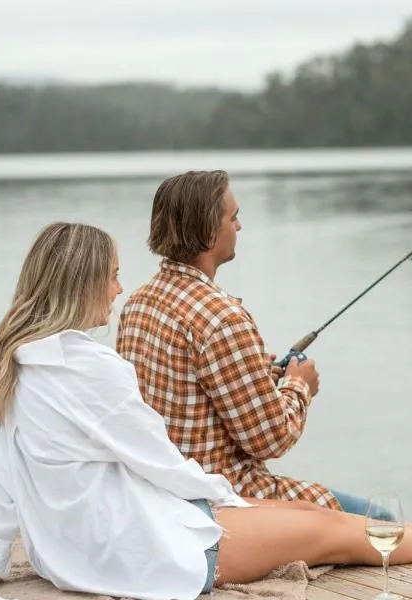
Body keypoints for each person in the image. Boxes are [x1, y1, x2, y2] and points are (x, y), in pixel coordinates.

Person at [0, 222, 412, 600]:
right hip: (140, 552)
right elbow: (160, 461)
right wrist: (226, 496)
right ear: (82, 285)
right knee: (333, 532)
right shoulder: (89, 370)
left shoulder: (13, 366)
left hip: (75, 551)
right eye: (110, 276)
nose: (119, 289)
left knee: (312, 517)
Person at [116, 169, 366, 513]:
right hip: (221, 494)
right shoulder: (222, 318)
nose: (239, 227)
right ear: (208, 229)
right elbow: (271, 439)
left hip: (161, 487)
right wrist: (298, 385)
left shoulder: (139, 301)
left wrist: (258, 376)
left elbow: (186, 392)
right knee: (379, 517)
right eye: (233, 217)